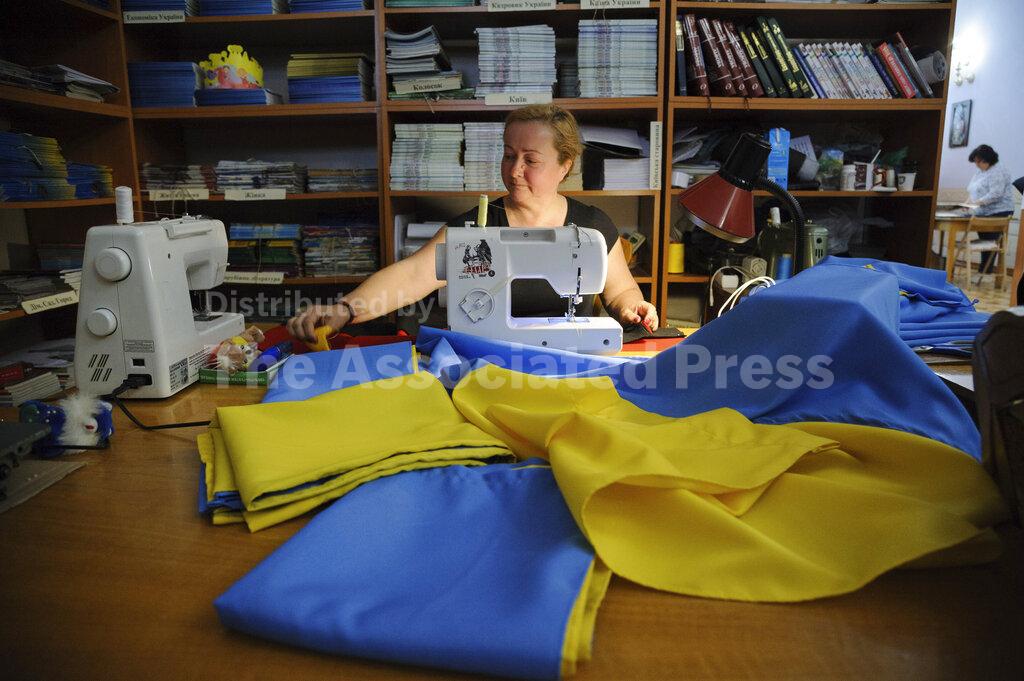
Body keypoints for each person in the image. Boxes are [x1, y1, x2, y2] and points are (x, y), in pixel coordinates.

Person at [288, 104, 658, 343]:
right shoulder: (472, 230)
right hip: (485, 366)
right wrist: (345, 309)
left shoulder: (592, 226)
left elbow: (620, 292)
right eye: (509, 155)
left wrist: (632, 308)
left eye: (531, 160)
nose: (514, 171)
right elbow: (411, 276)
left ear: (564, 166)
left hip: (569, 362)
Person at [966, 144, 1015, 274]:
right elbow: (972, 190)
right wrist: (967, 203)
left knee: (990, 242)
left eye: (978, 161)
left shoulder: (998, 170)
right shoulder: (980, 172)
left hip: (999, 211)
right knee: (986, 241)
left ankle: (985, 270)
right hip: (983, 211)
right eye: (975, 161)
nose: (976, 164)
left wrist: (976, 202)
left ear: (987, 159)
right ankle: (985, 270)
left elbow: (996, 193)